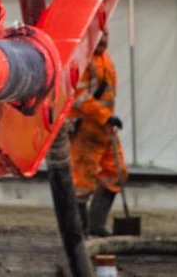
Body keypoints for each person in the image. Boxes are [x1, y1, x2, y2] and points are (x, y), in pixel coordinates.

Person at [69, 29, 127, 237]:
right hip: (87, 129)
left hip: (104, 127)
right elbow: (79, 97)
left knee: (116, 173)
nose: (103, 39)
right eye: (99, 35)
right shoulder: (83, 61)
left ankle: (96, 224)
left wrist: (107, 118)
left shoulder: (105, 59)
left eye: (106, 35)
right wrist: (105, 115)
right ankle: (79, 231)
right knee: (81, 182)